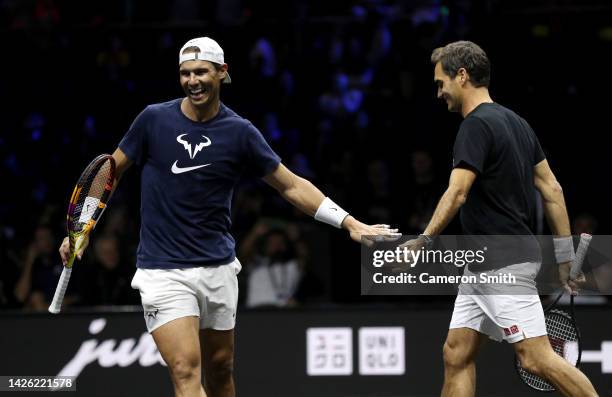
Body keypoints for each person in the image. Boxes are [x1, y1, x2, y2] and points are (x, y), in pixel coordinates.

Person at [58, 36, 398, 397]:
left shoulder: (240, 132)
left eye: (201, 72)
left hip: (218, 269)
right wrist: (83, 226)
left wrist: (349, 223)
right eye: (185, 73)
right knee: (186, 370)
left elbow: (291, 186)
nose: (193, 80)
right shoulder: (152, 120)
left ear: (222, 73)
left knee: (220, 370)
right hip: (163, 271)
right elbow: (110, 172)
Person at [400, 41, 597, 396]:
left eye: (440, 82)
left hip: (501, 262)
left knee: (536, 358)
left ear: (462, 76)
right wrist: (565, 258)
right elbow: (552, 189)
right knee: (456, 353)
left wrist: (424, 239)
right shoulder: (517, 123)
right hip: (485, 264)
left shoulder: (474, 127)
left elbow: (457, 193)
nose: (439, 92)